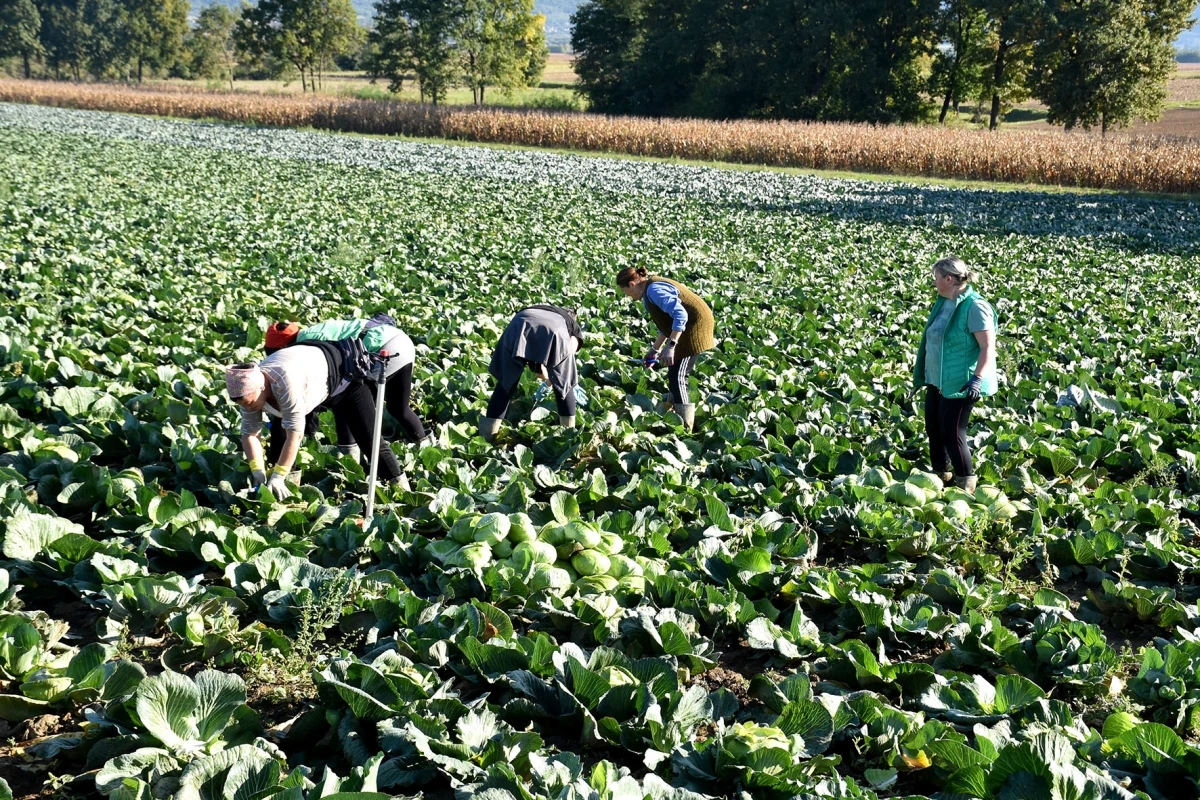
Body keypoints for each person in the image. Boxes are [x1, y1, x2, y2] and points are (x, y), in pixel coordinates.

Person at [225, 341, 402, 499]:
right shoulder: (245, 391)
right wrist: (257, 469)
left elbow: (295, 435)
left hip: (345, 376)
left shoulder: (285, 382)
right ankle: (286, 496)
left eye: (250, 403)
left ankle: (401, 491)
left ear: (262, 386)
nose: (248, 408)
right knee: (279, 436)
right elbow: (250, 432)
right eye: (243, 405)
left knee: (369, 441)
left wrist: (278, 475)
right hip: (312, 384)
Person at [264, 316, 431, 461]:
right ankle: (428, 449)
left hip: (379, 350)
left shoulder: (304, 346)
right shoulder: (312, 332)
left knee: (346, 400)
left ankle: (349, 458)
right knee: (398, 408)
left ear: (282, 348)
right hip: (400, 341)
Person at [912, 257, 997, 493]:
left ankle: (965, 482)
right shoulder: (943, 303)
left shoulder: (975, 307)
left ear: (948, 279)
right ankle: (941, 474)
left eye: (936, 278)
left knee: (952, 432)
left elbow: (987, 347)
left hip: (962, 381)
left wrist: (977, 379)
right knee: (934, 428)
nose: (934, 283)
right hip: (937, 379)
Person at [615, 266, 715, 431]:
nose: (627, 296)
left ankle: (685, 427)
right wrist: (655, 350)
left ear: (632, 284)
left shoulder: (654, 290)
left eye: (625, 291)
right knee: (674, 372)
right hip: (684, 326)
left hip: (694, 326)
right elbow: (666, 324)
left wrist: (671, 346)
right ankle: (673, 413)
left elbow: (680, 315)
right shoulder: (649, 291)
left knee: (678, 375)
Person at [481, 305, 584, 440]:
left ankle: (487, 436)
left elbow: (534, 351)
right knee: (564, 388)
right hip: (554, 331)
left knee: (506, 383)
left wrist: (547, 376)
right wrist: (559, 380)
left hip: (519, 323)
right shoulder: (572, 326)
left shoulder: (540, 309)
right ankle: (568, 436)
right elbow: (566, 357)